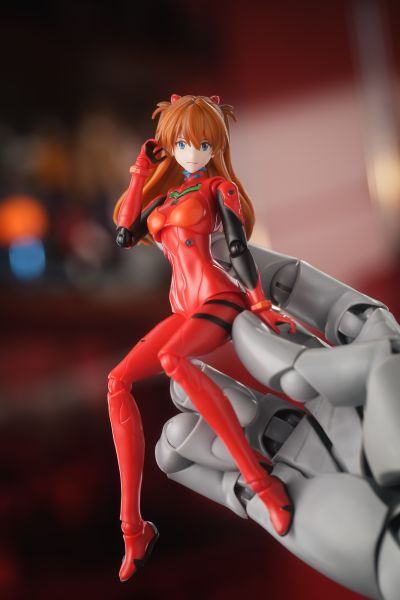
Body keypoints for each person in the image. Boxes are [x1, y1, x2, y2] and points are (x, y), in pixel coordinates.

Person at [108, 94, 295, 582]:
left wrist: (261, 303)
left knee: (173, 360)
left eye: (203, 144)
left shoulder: (218, 188)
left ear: (216, 147)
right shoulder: (164, 197)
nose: (192, 152)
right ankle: (133, 529)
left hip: (219, 299)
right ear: (169, 145)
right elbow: (125, 234)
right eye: (182, 144)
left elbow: (236, 247)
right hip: (183, 308)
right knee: (117, 381)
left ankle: (261, 482)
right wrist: (140, 173)